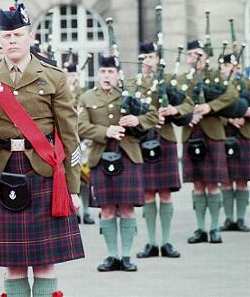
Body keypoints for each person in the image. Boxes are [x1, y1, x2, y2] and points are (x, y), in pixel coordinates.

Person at [0, 2, 84, 297]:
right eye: (7, 36)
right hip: (3, 170)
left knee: (45, 264)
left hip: (45, 173)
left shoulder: (54, 76)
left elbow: (70, 137)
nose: (12, 41)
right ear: (0, 39)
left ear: (29, 37)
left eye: (18, 35)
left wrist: (73, 190)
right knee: (13, 264)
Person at [78, 54, 158, 272]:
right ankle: (112, 256)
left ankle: (126, 256)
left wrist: (137, 120)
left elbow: (153, 115)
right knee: (106, 209)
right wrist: (106, 131)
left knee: (127, 208)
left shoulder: (130, 94)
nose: (106, 75)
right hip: (100, 156)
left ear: (118, 74)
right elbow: (80, 126)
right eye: (103, 71)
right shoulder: (87, 98)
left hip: (128, 155)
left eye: (110, 72)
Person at [136, 42, 193, 258]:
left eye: (150, 57)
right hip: (144, 140)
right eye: (143, 58)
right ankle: (152, 243)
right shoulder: (134, 84)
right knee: (149, 194)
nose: (147, 62)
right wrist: (147, 119)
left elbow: (188, 105)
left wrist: (174, 109)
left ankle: (166, 242)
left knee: (166, 194)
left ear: (158, 59)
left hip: (166, 140)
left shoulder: (167, 82)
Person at [180, 40, 238, 244]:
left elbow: (232, 95)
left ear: (205, 56)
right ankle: (201, 229)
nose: (195, 59)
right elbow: (173, 103)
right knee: (197, 185)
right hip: (191, 133)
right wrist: (188, 115)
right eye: (191, 55)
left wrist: (209, 107)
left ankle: (214, 228)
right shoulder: (181, 79)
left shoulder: (215, 76)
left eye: (198, 55)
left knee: (213, 184)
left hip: (212, 133)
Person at [219, 53, 250, 232]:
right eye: (222, 65)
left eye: (227, 65)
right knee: (226, 179)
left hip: (244, 133)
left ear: (235, 67)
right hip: (226, 133)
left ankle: (240, 219)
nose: (223, 68)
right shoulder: (219, 85)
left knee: (242, 179)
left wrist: (243, 116)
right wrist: (230, 119)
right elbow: (216, 106)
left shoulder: (246, 83)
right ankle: (228, 218)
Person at [64, 61, 95, 225]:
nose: (72, 78)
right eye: (68, 75)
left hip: (83, 139)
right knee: (72, 175)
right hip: (68, 139)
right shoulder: (62, 91)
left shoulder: (84, 93)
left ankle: (86, 211)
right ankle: (73, 211)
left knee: (85, 177)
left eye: (74, 74)